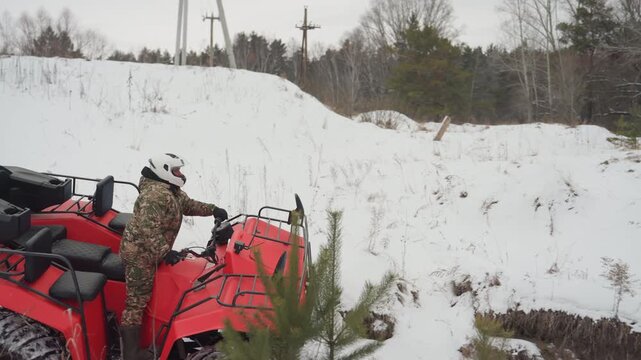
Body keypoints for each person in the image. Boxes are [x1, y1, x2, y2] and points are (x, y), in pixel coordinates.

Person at [119, 153, 227, 360]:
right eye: (177, 171)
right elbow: (147, 229)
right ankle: (131, 355)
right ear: (165, 171)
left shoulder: (169, 190)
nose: (180, 174)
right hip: (139, 254)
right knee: (137, 301)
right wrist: (164, 252)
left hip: (153, 249)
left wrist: (213, 210)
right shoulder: (154, 196)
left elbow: (188, 205)